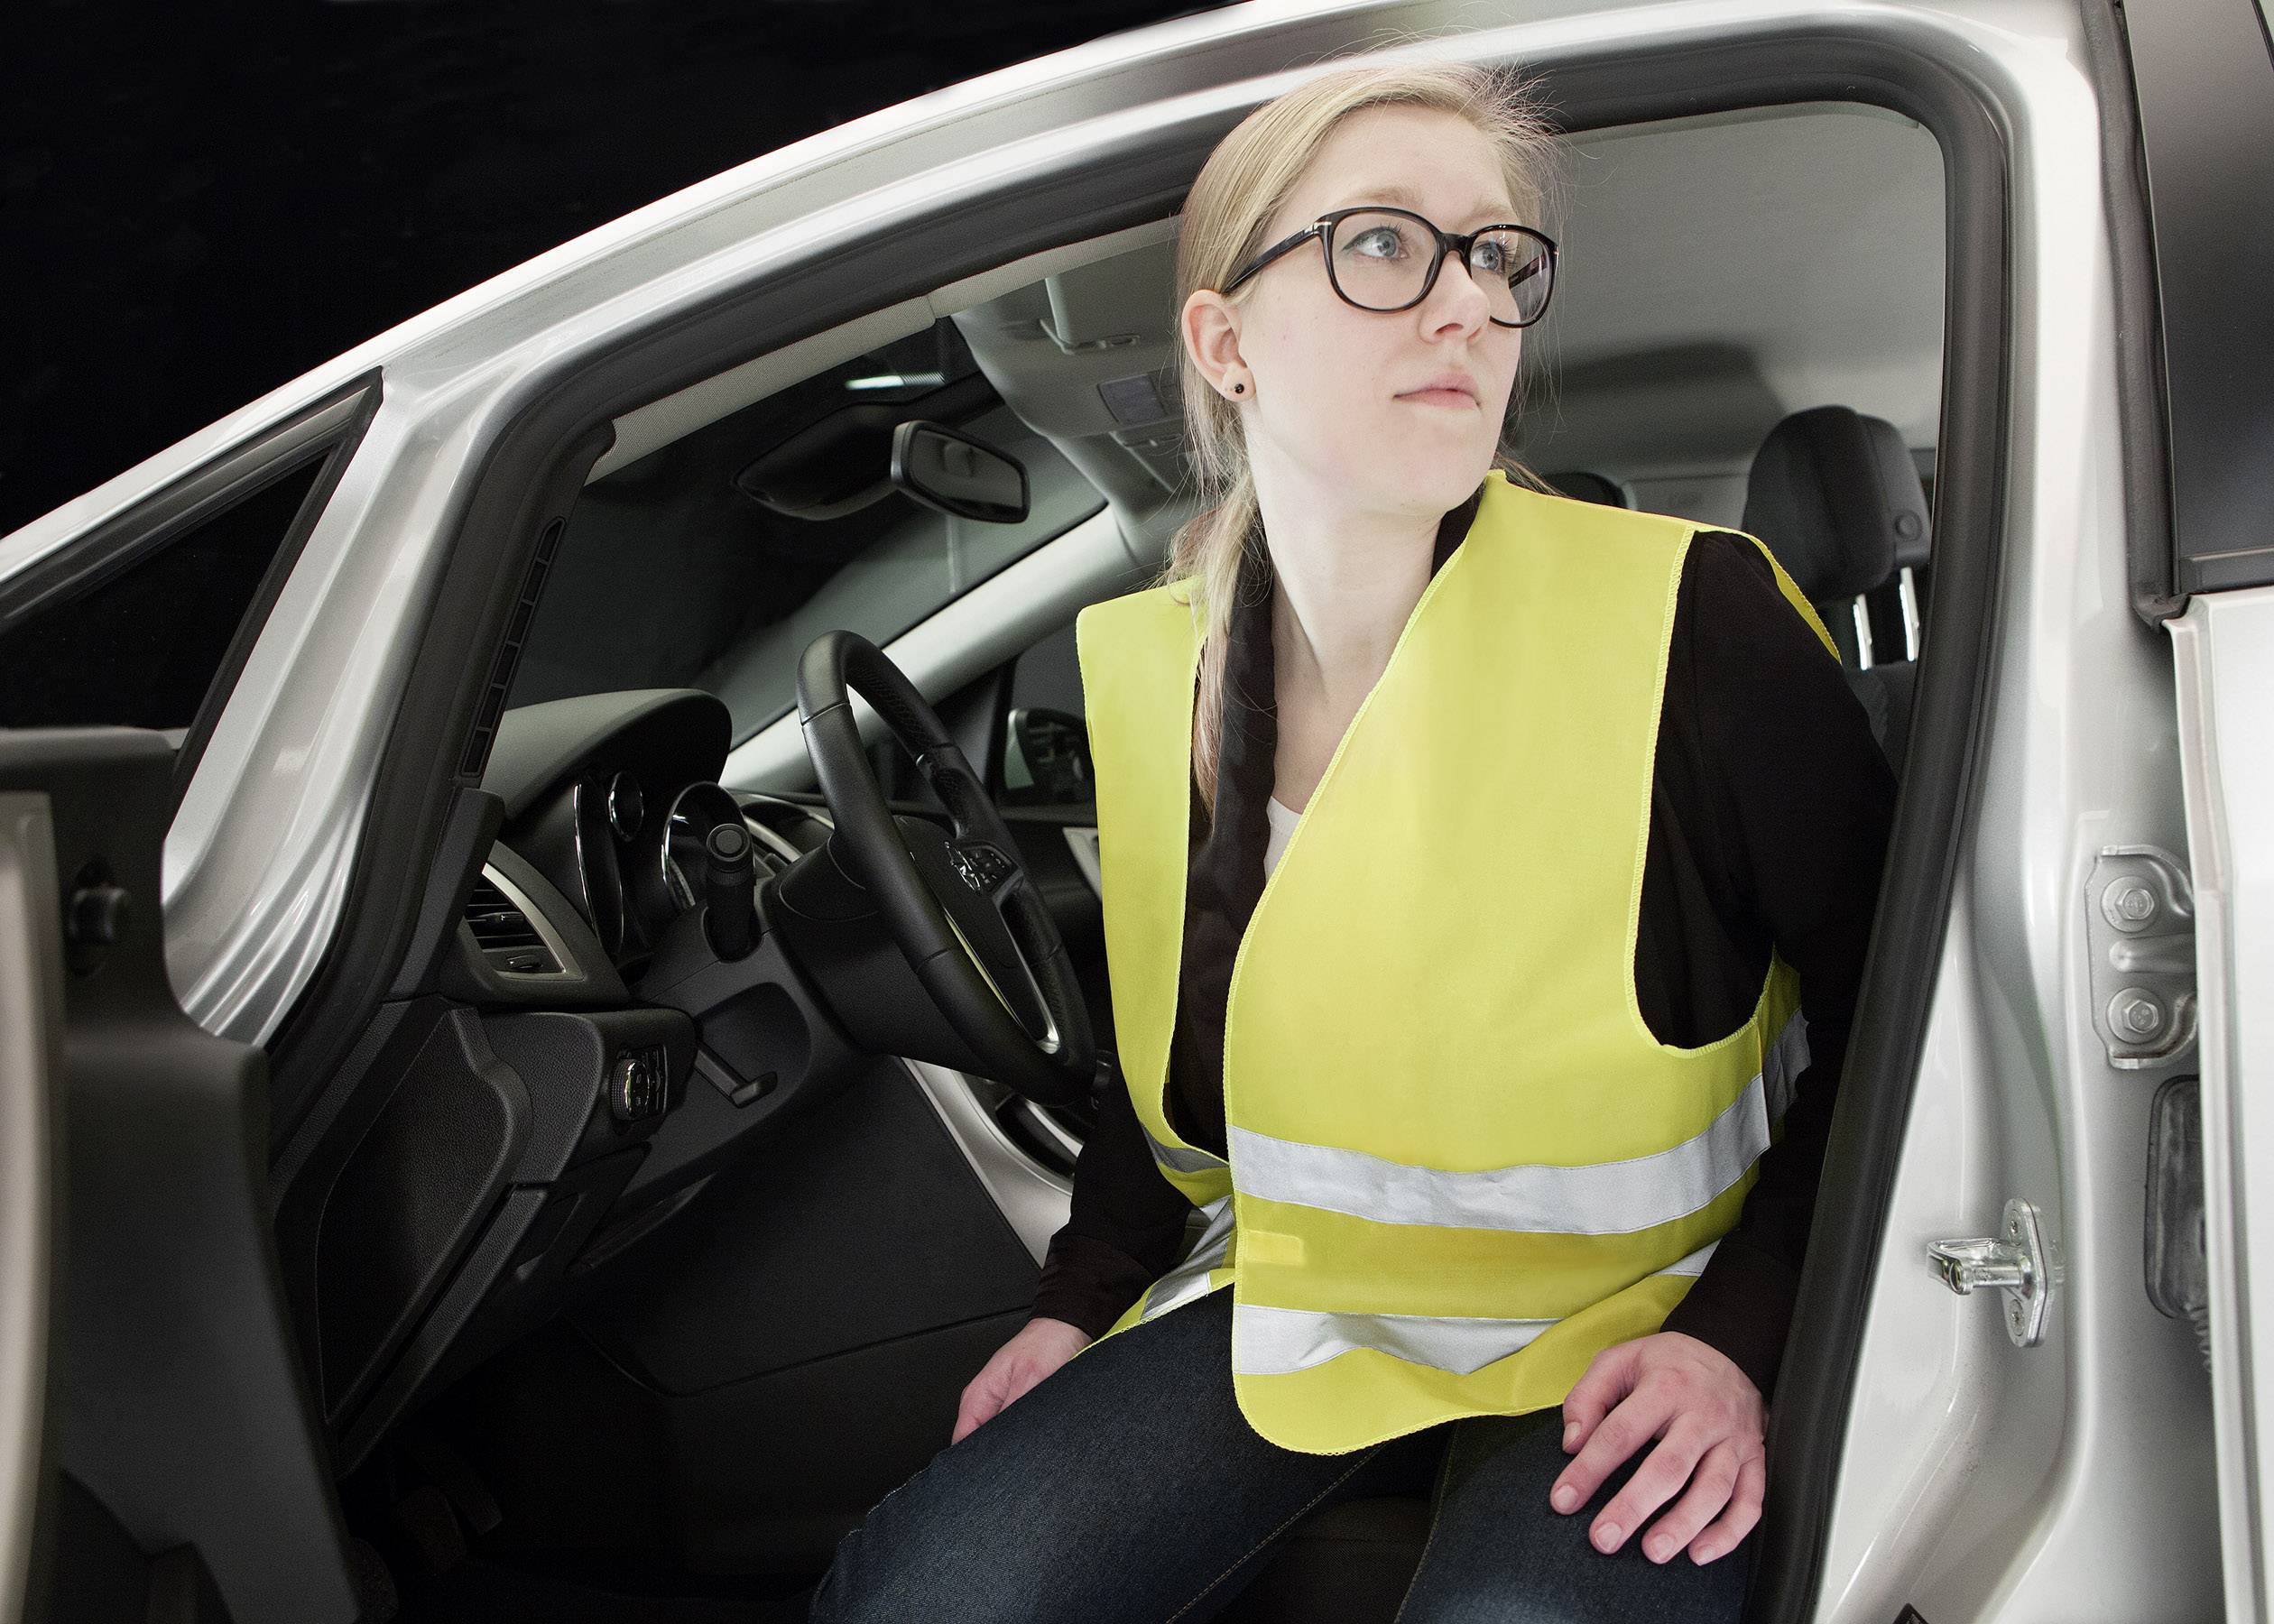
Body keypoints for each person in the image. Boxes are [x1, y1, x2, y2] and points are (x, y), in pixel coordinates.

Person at [807, 56, 1896, 1623]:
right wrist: (1077, 1304)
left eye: (1496, 257)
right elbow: (1165, 1072)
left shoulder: (1689, 620)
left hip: (1634, 1318)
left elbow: (1893, 1017)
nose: (1468, 306)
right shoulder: (1157, 673)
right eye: (1382, 243)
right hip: (1314, 1309)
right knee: (924, 1602)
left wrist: (1744, 1337)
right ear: (1224, 343)